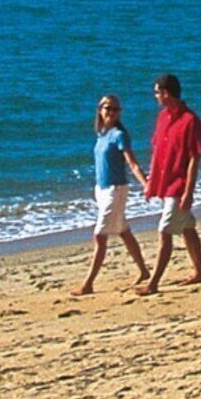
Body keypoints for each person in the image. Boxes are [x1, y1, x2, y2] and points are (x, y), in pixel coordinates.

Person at [132, 71, 201, 294]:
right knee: (187, 228)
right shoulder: (162, 118)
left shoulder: (191, 121)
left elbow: (195, 157)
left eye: (157, 93)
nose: (155, 97)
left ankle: (153, 283)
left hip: (179, 184)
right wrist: (151, 183)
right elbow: (157, 152)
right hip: (165, 183)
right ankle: (200, 271)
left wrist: (188, 191)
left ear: (165, 93)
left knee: (164, 231)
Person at [75, 94, 147, 296]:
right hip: (102, 190)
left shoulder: (119, 135)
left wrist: (146, 184)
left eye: (116, 109)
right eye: (108, 108)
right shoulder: (102, 135)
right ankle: (143, 270)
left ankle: (88, 283)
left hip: (116, 190)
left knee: (100, 235)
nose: (112, 112)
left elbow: (132, 163)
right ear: (100, 109)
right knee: (123, 231)